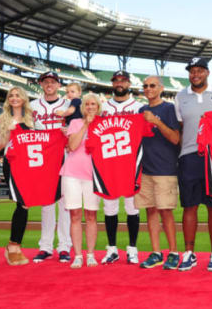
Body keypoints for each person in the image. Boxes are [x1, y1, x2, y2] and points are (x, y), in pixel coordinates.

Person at [174, 57, 212, 271]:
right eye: (192, 71)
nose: (195, 74)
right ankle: (189, 253)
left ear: (207, 72)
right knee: (189, 206)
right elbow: (180, 127)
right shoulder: (180, 96)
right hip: (189, 156)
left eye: (199, 70)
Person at [135, 76, 181, 269]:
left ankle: (173, 252)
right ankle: (156, 253)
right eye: (145, 86)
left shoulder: (168, 109)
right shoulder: (140, 110)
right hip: (145, 168)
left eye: (152, 85)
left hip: (165, 169)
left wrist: (156, 122)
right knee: (151, 211)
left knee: (166, 212)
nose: (148, 88)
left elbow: (175, 138)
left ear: (161, 88)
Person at [99, 70, 144, 265]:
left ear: (129, 84)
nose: (119, 83)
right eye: (116, 80)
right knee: (110, 208)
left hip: (130, 164)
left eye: (123, 81)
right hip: (109, 164)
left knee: (132, 208)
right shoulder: (102, 108)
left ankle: (132, 249)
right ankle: (112, 249)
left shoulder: (139, 107)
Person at [30, 71, 72, 263]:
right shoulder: (32, 106)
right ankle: (45, 246)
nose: (49, 84)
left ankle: (64, 247)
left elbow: (79, 127)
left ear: (58, 85)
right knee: (46, 203)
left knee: (64, 203)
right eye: (46, 81)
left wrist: (69, 132)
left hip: (65, 156)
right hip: (43, 158)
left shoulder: (68, 105)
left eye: (53, 82)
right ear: (41, 84)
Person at [59, 93, 101, 268]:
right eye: (87, 104)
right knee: (75, 215)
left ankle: (90, 254)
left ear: (98, 107)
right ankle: (77, 255)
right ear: (83, 107)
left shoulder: (103, 125)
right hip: (72, 174)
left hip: (93, 175)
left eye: (93, 104)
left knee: (91, 216)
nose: (90, 107)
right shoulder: (76, 123)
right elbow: (73, 146)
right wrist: (85, 125)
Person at [0, 86, 34, 265]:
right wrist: (9, 131)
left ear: (24, 98)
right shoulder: (3, 118)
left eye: (18, 95)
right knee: (22, 203)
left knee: (25, 204)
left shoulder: (31, 118)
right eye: (11, 96)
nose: (14, 98)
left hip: (28, 163)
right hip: (11, 163)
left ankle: (14, 245)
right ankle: (13, 246)